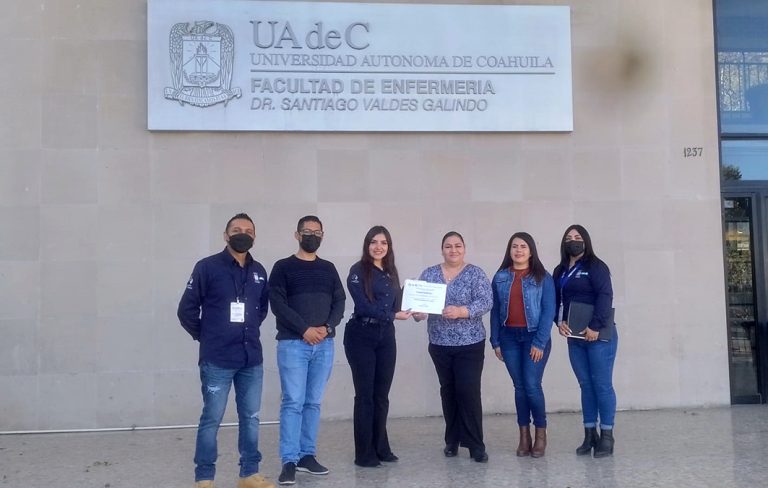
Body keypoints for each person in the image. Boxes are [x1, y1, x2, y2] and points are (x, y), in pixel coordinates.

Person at [177, 213, 275, 488]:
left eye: (248, 230)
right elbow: (186, 310)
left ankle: (249, 474)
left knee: (251, 417)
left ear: (254, 237)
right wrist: (207, 336)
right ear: (225, 235)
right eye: (236, 229)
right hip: (217, 359)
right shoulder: (206, 267)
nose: (242, 233)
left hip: (250, 359)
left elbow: (262, 308)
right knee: (211, 419)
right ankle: (204, 478)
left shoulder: (259, 271)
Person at [269, 215, 346, 485]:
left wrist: (327, 326)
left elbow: (340, 300)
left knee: (313, 402)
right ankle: (289, 460)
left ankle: (306, 456)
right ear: (297, 234)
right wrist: (304, 329)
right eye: (306, 231)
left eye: (316, 231)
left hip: (324, 344)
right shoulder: (283, 267)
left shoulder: (329, 268)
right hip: (293, 344)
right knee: (293, 402)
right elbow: (278, 304)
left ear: (322, 235)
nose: (311, 235)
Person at [413, 231, 493, 463]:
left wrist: (462, 311)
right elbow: (419, 307)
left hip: (470, 344)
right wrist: (418, 313)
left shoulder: (476, 273)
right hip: (439, 344)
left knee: (468, 392)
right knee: (448, 392)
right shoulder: (429, 274)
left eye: (458, 246)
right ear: (442, 250)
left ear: (464, 249)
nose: (453, 250)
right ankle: (452, 440)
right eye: (448, 246)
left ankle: (476, 444)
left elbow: (486, 301)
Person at [344, 226, 413, 467]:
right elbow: (363, 306)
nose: (378, 246)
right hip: (361, 335)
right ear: (367, 245)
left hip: (385, 337)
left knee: (381, 396)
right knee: (365, 396)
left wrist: (416, 308)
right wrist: (394, 315)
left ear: (389, 246)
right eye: (374, 242)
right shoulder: (357, 271)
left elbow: (398, 303)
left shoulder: (391, 272)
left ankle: (381, 447)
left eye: (383, 242)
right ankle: (364, 454)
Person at [490, 232, 556, 458]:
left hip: (533, 338)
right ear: (509, 251)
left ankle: (540, 434)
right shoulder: (500, 277)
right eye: (514, 246)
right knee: (519, 387)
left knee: (531, 384)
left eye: (523, 247)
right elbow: (495, 311)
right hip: (508, 338)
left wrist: (539, 342)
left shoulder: (543, 277)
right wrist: (495, 340)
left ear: (531, 251)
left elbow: (549, 312)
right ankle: (524, 436)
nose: (518, 250)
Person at [554, 224, 617, 458]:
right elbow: (556, 300)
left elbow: (605, 296)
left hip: (598, 335)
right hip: (575, 337)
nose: (573, 241)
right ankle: (590, 434)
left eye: (578, 237)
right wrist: (557, 322)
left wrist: (595, 326)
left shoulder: (596, 266)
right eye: (569, 237)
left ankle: (607, 436)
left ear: (586, 241)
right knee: (585, 385)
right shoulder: (560, 271)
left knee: (602, 384)